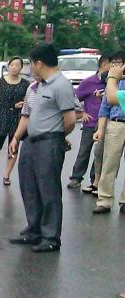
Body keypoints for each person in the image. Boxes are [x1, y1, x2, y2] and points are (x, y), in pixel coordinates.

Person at [8, 44, 77, 252]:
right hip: (31, 142)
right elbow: (28, 115)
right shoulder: (40, 85)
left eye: (31, 64)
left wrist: (57, 137)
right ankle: (33, 231)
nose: (30, 68)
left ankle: (50, 237)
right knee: (29, 187)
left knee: (49, 191)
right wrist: (17, 137)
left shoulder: (60, 85)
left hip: (49, 142)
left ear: (39, 63)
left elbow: (70, 120)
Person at [0, 56, 30, 186]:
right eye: (12, 65)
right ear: (8, 66)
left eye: (17, 65)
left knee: (13, 148)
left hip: (18, 117)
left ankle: (7, 175)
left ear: (21, 67)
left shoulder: (25, 84)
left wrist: (23, 103)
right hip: (2, 115)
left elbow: (30, 100)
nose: (14, 67)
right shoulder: (0, 82)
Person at [66, 54, 109, 190]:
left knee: (100, 154)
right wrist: (82, 113)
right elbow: (74, 98)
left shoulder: (111, 82)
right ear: (103, 64)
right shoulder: (88, 82)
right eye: (111, 64)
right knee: (84, 151)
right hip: (90, 123)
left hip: (106, 123)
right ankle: (76, 177)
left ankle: (94, 180)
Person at [94, 60, 125, 215]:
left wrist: (112, 79)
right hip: (116, 123)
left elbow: (112, 98)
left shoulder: (113, 82)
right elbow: (105, 106)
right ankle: (104, 200)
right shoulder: (114, 83)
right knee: (109, 163)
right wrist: (100, 129)